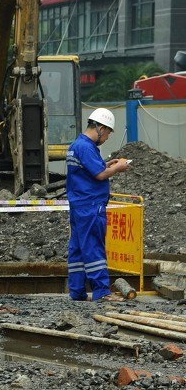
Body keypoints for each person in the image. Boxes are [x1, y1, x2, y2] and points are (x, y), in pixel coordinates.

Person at [66, 107, 132, 302]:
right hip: (91, 206)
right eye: (108, 133)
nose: (107, 138)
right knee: (94, 247)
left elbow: (93, 168)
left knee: (78, 249)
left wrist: (108, 164)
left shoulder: (77, 145)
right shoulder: (86, 147)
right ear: (101, 128)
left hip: (79, 206)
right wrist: (117, 168)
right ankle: (102, 292)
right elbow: (99, 174)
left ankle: (77, 291)